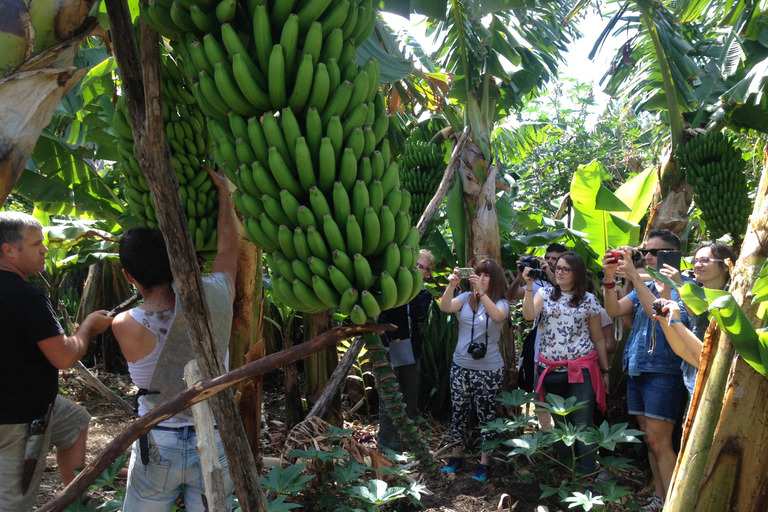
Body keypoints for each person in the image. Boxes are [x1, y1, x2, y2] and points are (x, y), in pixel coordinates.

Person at [112, 166, 238, 512]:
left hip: (159, 439)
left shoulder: (125, 324)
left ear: (129, 276)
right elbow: (229, 251)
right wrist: (225, 196)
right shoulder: (217, 294)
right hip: (213, 432)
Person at [0, 211, 113, 511]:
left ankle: (73, 499)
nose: (45, 249)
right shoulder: (26, 297)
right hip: (18, 418)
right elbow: (64, 356)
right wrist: (87, 328)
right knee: (13, 500)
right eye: (37, 244)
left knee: (75, 421)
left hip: (37, 402)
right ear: (8, 250)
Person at [603, 229, 692, 511]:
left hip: (663, 372)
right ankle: (661, 496)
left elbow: (656, 311)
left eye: (654, 252)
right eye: (646, 251)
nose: (648, 257)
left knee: (660, 441)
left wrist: (632, 274)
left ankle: (674, 503)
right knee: (649, 440)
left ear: (672, 255)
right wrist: (608, 278)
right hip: (638, 369)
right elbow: (615, 309)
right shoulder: (649, 284)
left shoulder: (683, 286)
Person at [522, 251, 609, 476]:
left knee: (582, 423)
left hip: (581, 368)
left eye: (564, 269)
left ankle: (588, 473)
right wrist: (529, 286)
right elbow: (529, 315)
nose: (558, 272)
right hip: (550, 369)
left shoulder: (589, 300)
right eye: (557, 268)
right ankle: (567, 471)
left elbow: (598, 337)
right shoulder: (546, 293)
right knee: (561, 424)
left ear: (576, 273)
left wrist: (605, 370)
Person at [439, 259, 508, 482]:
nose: (481, 278)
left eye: (486, 275)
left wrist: (481, 294)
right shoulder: (464, 299)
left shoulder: (501, 302)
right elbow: (445, 307)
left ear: (494, 279)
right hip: (461, 367)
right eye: (478, 274)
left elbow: (497, 316)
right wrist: (452, 285)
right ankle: (455, 457)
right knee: (459, 413)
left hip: (488, 370)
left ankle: (484, 464)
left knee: (486, 415)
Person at [654, 243, 735, 395]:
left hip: (726, 383)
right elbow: (683, 348)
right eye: (695, 261)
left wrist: (678, 284)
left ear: (726, 265)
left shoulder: (734, 298)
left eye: (704, 260)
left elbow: (700, 318)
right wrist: (665, 298)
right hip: (696, 381)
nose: (698, 265)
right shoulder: (696, 292)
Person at [377, 249, 434, 454]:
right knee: (389, 399)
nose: (418, 269)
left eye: (423, 267)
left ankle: (409, 442)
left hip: (410, 349)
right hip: (387, 346)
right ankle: (387, 447)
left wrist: (415, 291)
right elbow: (384, 314)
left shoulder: (424, 294)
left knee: (410, 397)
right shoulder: (392, 287)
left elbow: (419, 318)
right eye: (415, 265)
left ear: (428, 273)